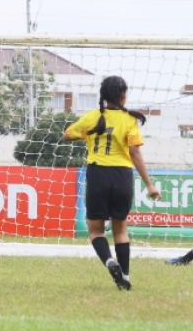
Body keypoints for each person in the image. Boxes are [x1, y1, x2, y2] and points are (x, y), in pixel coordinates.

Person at [63, 76, 161, 291]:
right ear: (123, 96)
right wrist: (150, 185)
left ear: (103, 96)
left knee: (96, 231)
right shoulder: (129, 120)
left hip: (98, 174)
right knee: (120, 229)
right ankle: (124, 277)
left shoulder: (91, 117)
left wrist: (87, 136)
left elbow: (67, 135)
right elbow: (135, 152)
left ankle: (109, 262)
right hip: (121, 176)